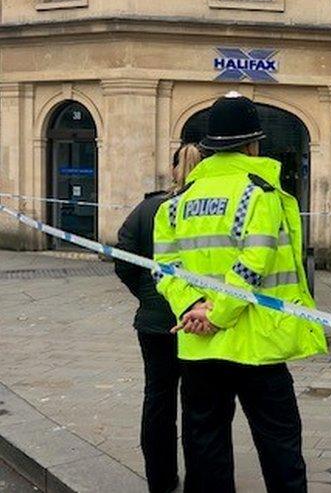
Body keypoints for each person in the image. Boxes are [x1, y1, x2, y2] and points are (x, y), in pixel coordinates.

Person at [154, 92, 327, 493]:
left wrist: (193, 307)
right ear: (252, 144)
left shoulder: (176, 205)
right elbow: (254, 263)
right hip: (256, 345)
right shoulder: (258, 194)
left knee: (205, 446)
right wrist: (218, 314)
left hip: (199, 347)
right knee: (280, 445)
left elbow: (164, 270)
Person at [115, 143, 202, 493]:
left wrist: (147, 296)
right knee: (199, 405)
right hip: (200, 322)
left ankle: (161, 481)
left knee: (158, 400)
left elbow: (123, 258)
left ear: (172, 168)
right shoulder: (207, 209)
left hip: (153, 323)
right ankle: (201, 479)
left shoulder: (149, 207)